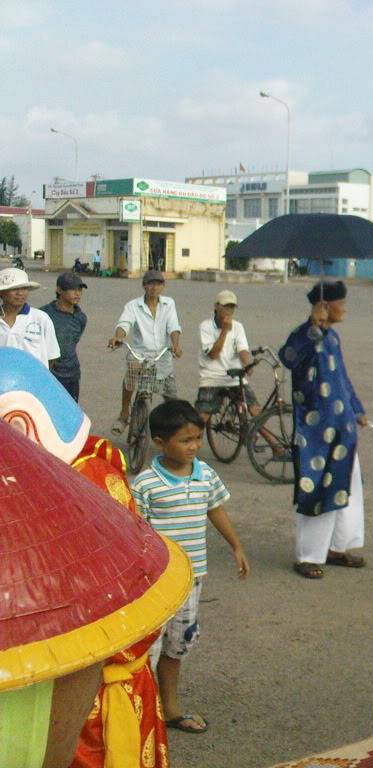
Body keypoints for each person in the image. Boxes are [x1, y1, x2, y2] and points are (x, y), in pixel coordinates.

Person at [130, 400, 250, 735]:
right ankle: (142, 716)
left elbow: (215, 510)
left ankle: (169, 709)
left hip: (192, 581)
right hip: (155, 584)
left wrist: (236, 546)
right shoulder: (146, 483)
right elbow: (136, 532)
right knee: (147, 651)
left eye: (198, 438)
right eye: (186, 440)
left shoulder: (205, 474)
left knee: (177, 646)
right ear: (160, 442)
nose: (194, 446)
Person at [280, 280, 370, 579]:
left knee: (348, 489)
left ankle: (337, 548)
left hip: (343, 429)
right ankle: (308, 556)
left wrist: (356, 410)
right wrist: (310, 327)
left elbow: (342, 377)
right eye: (340, 303)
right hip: (315, 435)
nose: (344, 308)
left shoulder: (333, 338)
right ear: (325, 305)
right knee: (316, 490)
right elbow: (288, 357)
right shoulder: (304, 335)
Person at [107, 269, 183, 435]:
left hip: (162, 356)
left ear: (163, 286)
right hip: (140, 355)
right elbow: (124, 324)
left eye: (158, 283)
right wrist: (118, 337)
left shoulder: (169, 304)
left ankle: (174, 432)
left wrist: (175, 345)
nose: (154, 287)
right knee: (131, 374)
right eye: (151, 283)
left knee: (172, 400)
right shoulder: (133, 306)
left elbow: (173, 326)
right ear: (144, 285)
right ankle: (124, 414)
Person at [195, 289, 260, 422]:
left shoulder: (238, 326)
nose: (229, 311)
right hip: (212, 378)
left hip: (235, 377)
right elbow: (213, 354)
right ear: (216, 306)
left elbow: (242, 349)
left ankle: (273, 443)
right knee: (202, 418)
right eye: (226, 306)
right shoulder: (205, 326)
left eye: (232, 307)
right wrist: (224, 330)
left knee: (256, 411)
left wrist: (247, 365)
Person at [41, 271, 88, 401]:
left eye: (79, 289)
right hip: (49, 375)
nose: (77, 293)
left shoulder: (80, 318)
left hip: (72, 375)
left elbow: (74, 341)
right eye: (72, 289)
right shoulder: (43, 315)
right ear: (59, 290)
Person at [0, 266, 60, 368]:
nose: (20, 293)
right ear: (2, 293)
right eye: (14, 289)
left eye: (24, 288)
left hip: (33, 382)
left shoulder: (41, 318)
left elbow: (52, 357)